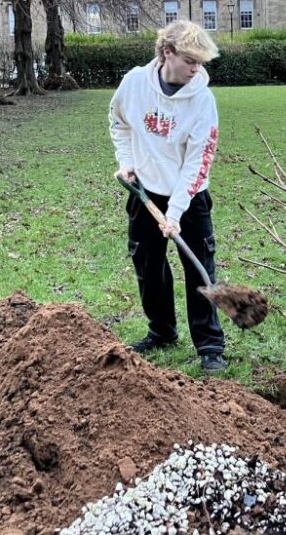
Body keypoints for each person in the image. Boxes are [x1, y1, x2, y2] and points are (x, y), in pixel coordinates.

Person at [109, 20, 227, 373]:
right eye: (190, 60)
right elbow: (118, 122)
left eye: (201, 63)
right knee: (149, 267)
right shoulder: (134, 84)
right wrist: (127, 162)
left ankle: (209, 346)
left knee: (198, 267)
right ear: (167, 53)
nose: (196, 69)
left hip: (189, 198)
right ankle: (161, 332)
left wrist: (174, 211)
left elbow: (198, 163)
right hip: (144, 191)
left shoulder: (202, 100)